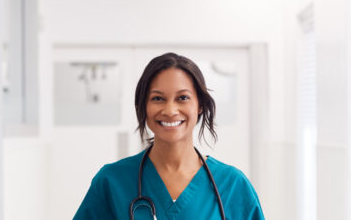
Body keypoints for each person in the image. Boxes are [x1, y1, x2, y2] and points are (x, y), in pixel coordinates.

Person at [74, 52, 264, 219]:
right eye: (157, 98)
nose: (170, 110)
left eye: (183, 98)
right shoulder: (112, 182)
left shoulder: (232, 185)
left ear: (199, 105)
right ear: (143, 107)